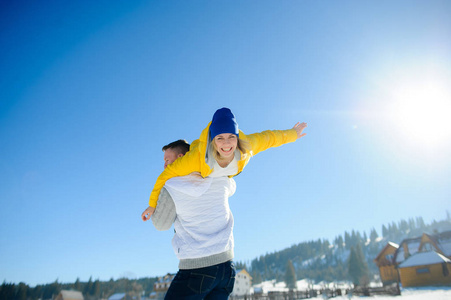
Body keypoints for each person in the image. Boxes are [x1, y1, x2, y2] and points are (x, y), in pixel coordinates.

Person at [142, 107, 307, 220]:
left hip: (222, 174)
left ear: (237, 137)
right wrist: (152, 205)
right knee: (187, 161)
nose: (226, 144)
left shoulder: (247, 146)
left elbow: (270, 138)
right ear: (213, 140)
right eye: (220, 138)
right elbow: (166, 174)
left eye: (231, 137)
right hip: (197, 153)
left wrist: (292, 134)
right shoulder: (196, 159)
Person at [150, 140, 237, 299]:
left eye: (167, 160)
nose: (164, 166)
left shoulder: (173, 186)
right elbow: (232, 186)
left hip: (196, 268)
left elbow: (160, 224)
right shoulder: (218, 175)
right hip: (227, 267)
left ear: (181, 158)